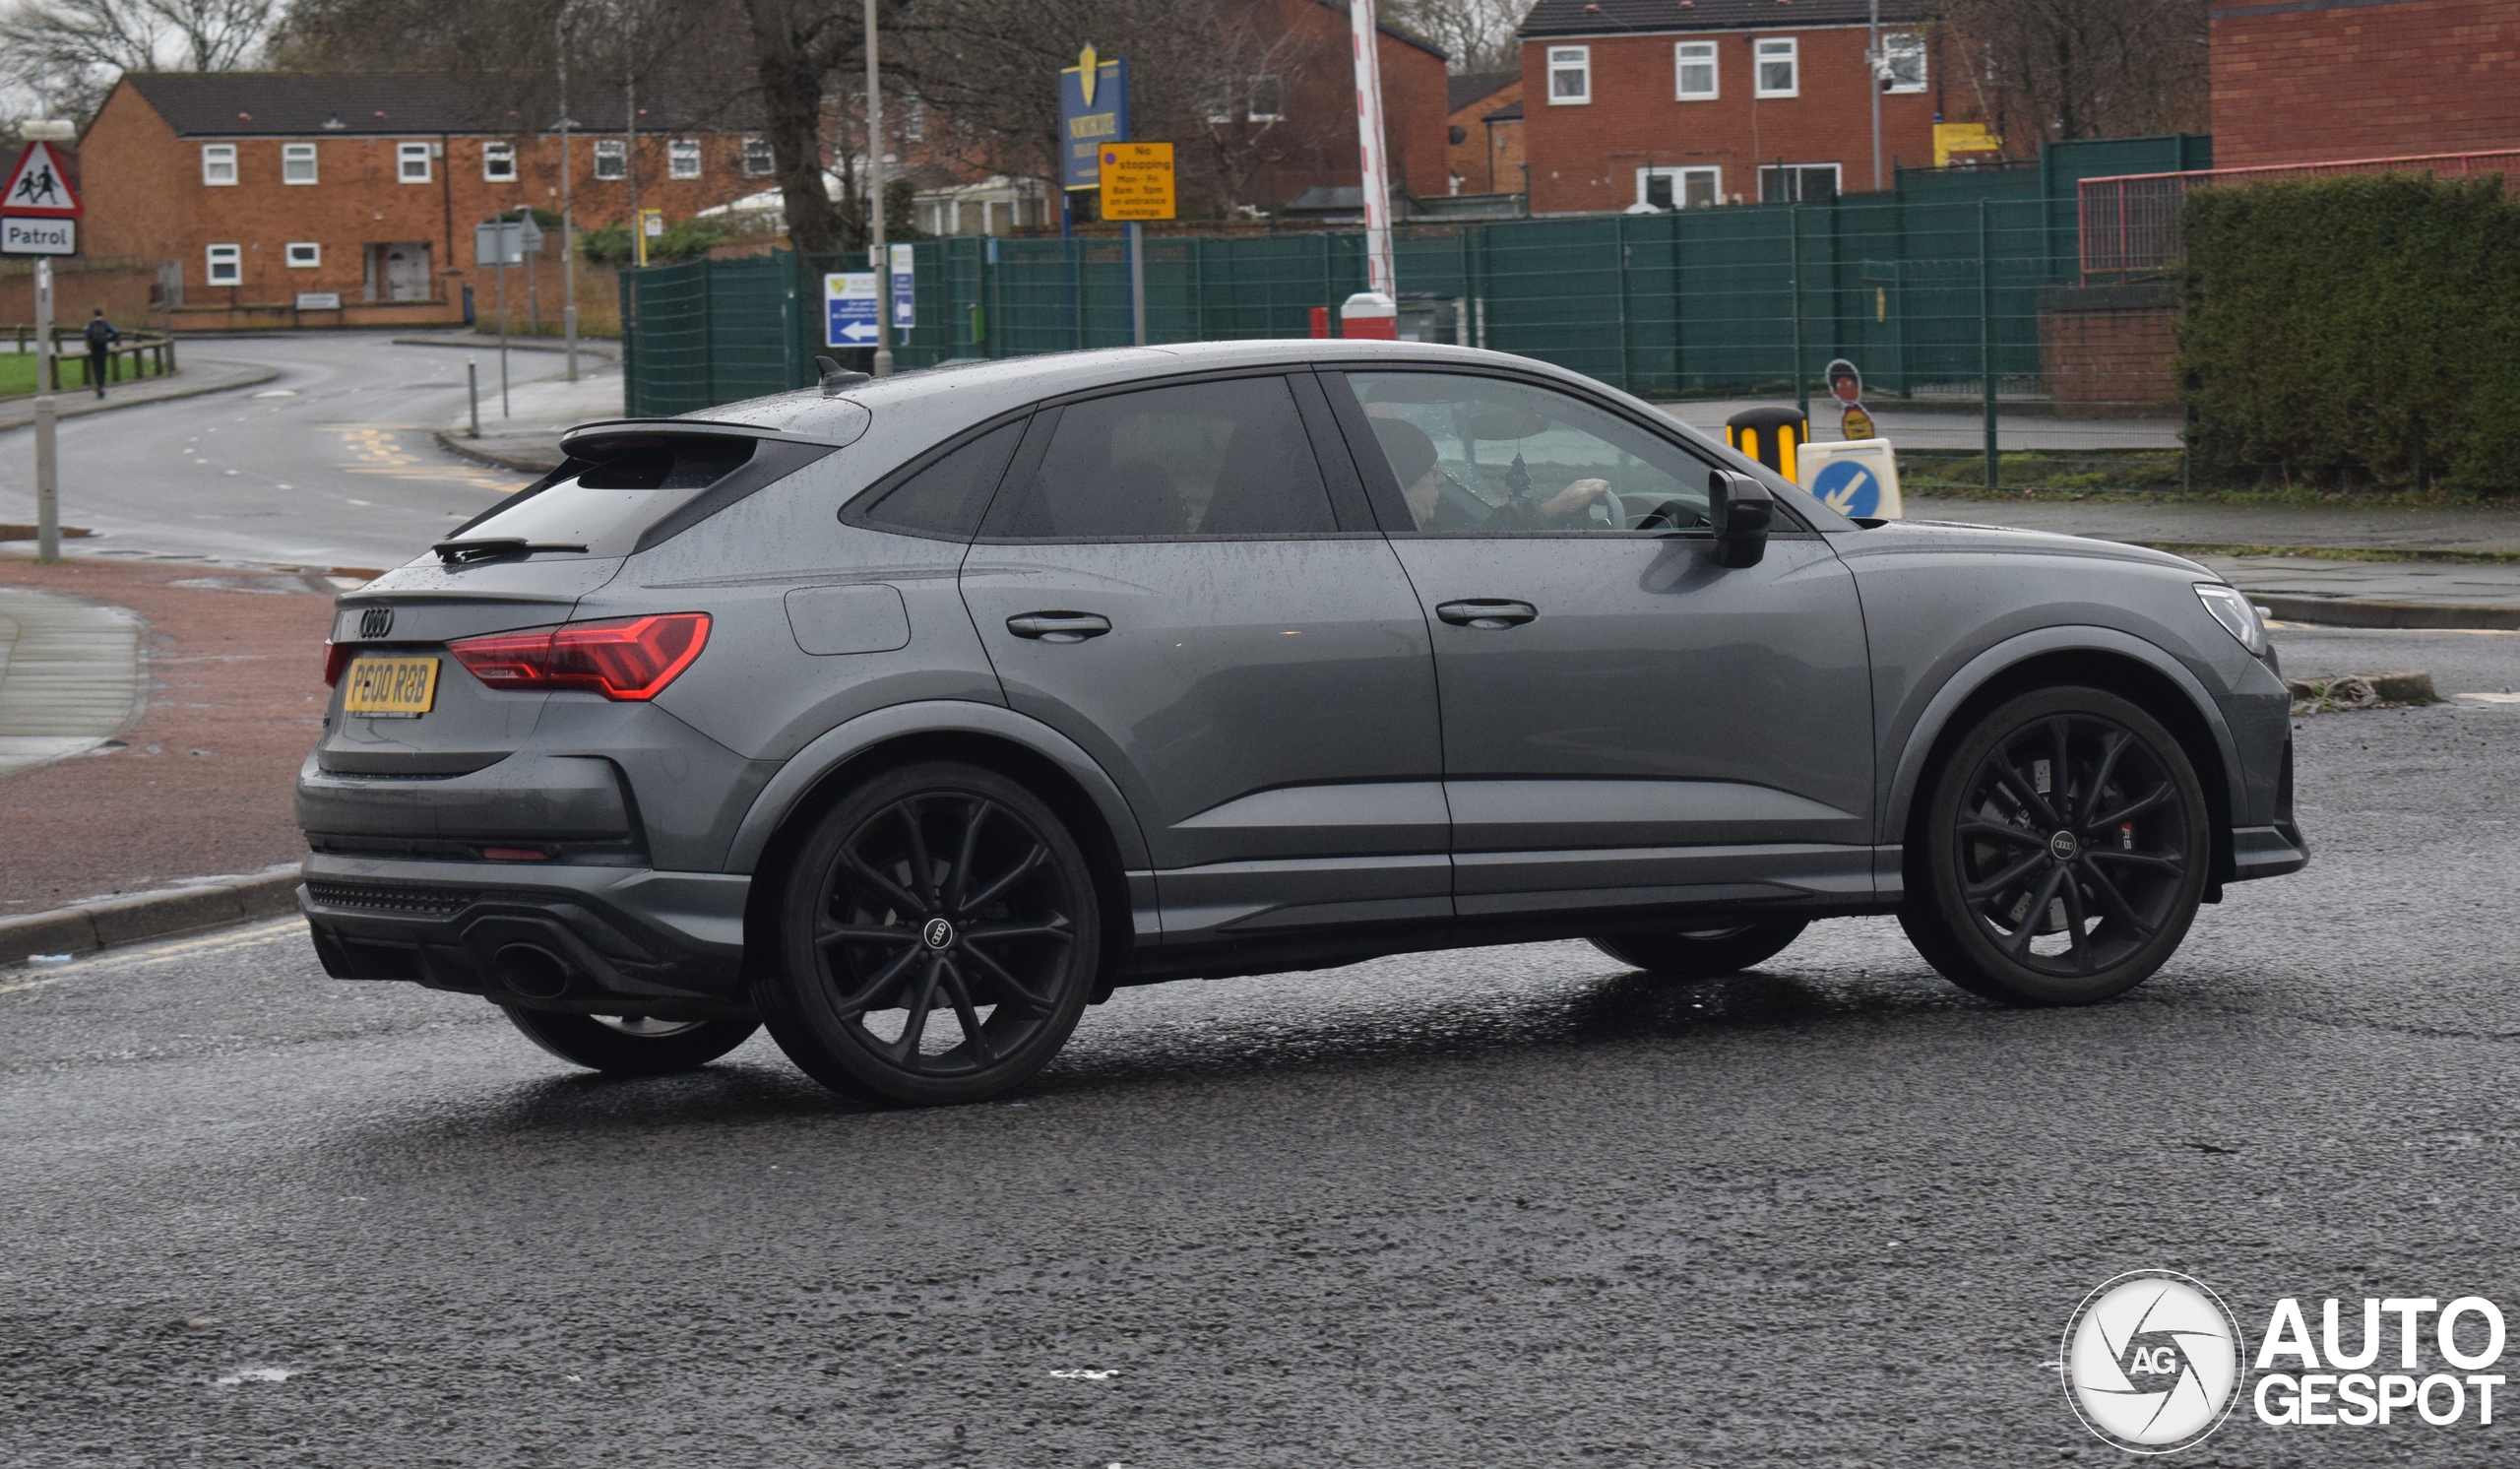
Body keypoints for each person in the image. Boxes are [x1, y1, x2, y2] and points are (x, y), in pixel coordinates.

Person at [1367, 416, 1609, 532]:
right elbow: (1470, 551)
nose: (1442, 480)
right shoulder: (1398, 542)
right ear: (1401, 484)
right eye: (1430, 473)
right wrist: (1554, 508)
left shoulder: (1394, 532)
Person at [81, 309, 118, 400]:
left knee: (96, 369)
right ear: (102, 315)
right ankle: (102, 386)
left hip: (94, 349)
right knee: (103, 368)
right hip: (103, 349)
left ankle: (99, 387)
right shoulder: (105, 324)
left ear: (94, 315)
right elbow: (116, 333)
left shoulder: (91, 325)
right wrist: (109, 340)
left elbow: (87, 334)